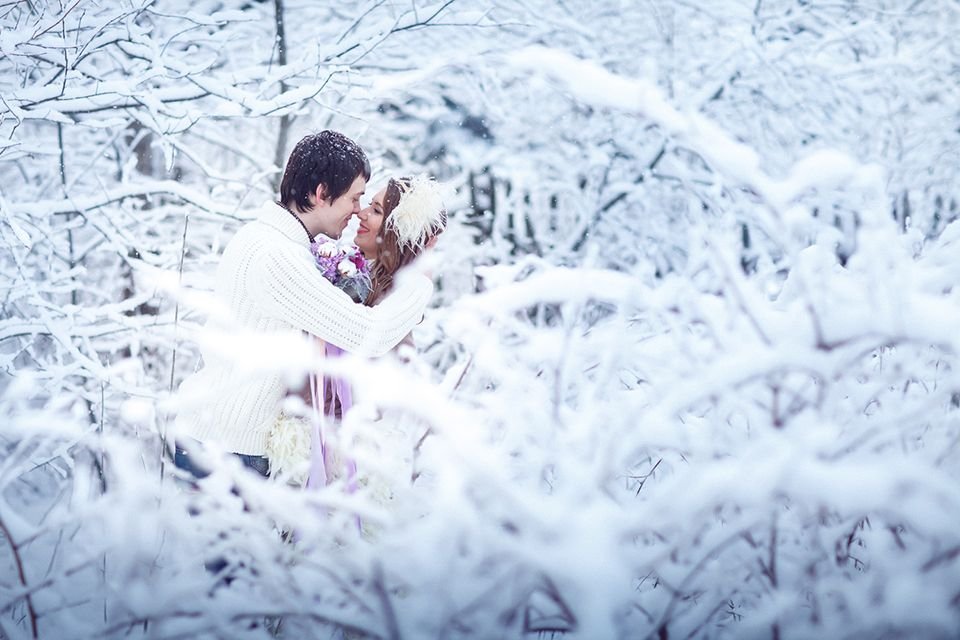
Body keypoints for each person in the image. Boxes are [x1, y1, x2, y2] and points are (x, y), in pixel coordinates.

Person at [173, 132, 435, 480]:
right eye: (354, 198)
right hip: (229, 450)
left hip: (216, 438)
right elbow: (366, 334)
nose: (357, 211)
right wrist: (418, 284)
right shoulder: (278, 257)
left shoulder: (268, 238)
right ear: (322, 193)